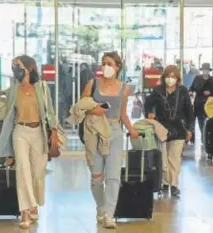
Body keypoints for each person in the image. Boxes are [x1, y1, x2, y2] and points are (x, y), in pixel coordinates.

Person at [0, 55, 59, 229]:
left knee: (37, 173)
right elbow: (7, 107)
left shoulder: (42, 87)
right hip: (19, 132)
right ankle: (25, 212)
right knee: (22, 171)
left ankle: (34, 203)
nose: (15, 69)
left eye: (18, 65)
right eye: (14, 66)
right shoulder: (14, 88)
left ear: (29, 68)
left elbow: (50, 112)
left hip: (39, 133)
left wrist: (54, 132)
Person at [80, 52, 139, 229]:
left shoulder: (124, 89)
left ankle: (109, 214)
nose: (105, 66)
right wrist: (93, 110)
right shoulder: (93, 84)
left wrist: (131, 129)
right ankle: (101, 207)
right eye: (104, 63)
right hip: (95, 131)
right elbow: (80, 106)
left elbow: (122, 113)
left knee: (113, 177)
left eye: (110, 64)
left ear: (118, 67)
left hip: (114, 131)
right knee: (97, 177)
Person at [145, 65, 194, 197]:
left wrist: (190, 129)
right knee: (163, 158)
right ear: (164, 77)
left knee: (174, 158)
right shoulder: (158, 90)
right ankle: (165, 183)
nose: (170, 79)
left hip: (179, 128)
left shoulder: (182, 91)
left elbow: (189, 111)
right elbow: (148, 102)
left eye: (173, 76)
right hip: (162, 128)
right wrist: (149, 113)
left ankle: (174, 185)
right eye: (168, 76)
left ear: (178, 78)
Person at [189, 63, 213, 142]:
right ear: (202, 70)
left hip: (210, 104)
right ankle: (203, 137)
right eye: (204, 70)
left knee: (210, 121)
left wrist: (211, 93)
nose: (205, 71)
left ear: (209, 70)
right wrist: (191, 92)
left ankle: (208, 137)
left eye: (207, 70)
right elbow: (191, 88)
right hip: (199, 104)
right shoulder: (197, 78)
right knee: (201, 121)